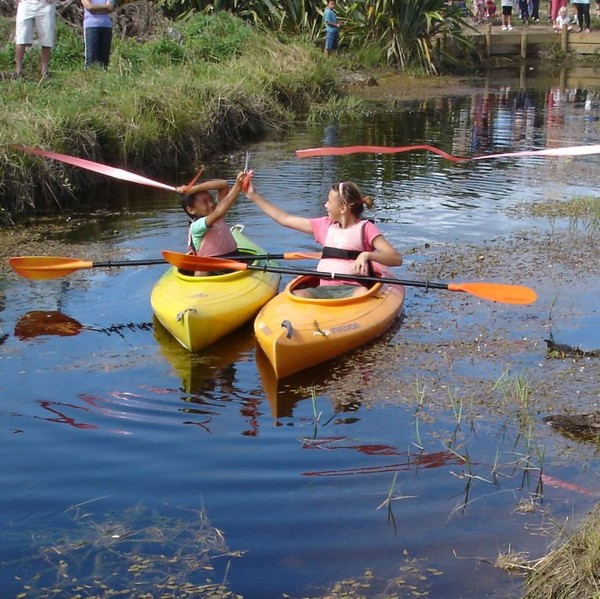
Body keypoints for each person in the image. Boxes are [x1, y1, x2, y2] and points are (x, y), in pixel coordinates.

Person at [245, 180, 403, 298]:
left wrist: (367, 255)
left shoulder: (365, 228)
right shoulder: (325, 226)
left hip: (353, 290)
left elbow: (395, 259)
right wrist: (253, 196)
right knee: (296, 295)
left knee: (362, 293)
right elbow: (284, 219)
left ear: (342, 208)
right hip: (323, 290)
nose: (325, 204)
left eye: (329, 201)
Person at [177, 172, 246, 259]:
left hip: (234, 258)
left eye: (211, 199)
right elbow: (218, 213)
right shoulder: (196, 226)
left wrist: (195, 188)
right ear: (191, 209)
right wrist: (238, 186)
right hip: (211, 267)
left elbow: (223, 185)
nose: (211, 204)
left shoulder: (218, 209)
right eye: (205, 202)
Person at [14, 0, 56, 78]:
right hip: (25, 3)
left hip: (45, 4)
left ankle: (44, 71)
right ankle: (18, 71)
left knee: (47, 36)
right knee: (21, 36)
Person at [81, 0, 115, 69]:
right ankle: (89, 78)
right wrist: (105, 7)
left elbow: (111, 8)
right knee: (91, 58)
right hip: (91, 26)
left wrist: (96, 9)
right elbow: (89, 7)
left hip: (106, 26)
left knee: (104, 60)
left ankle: (102, 78)